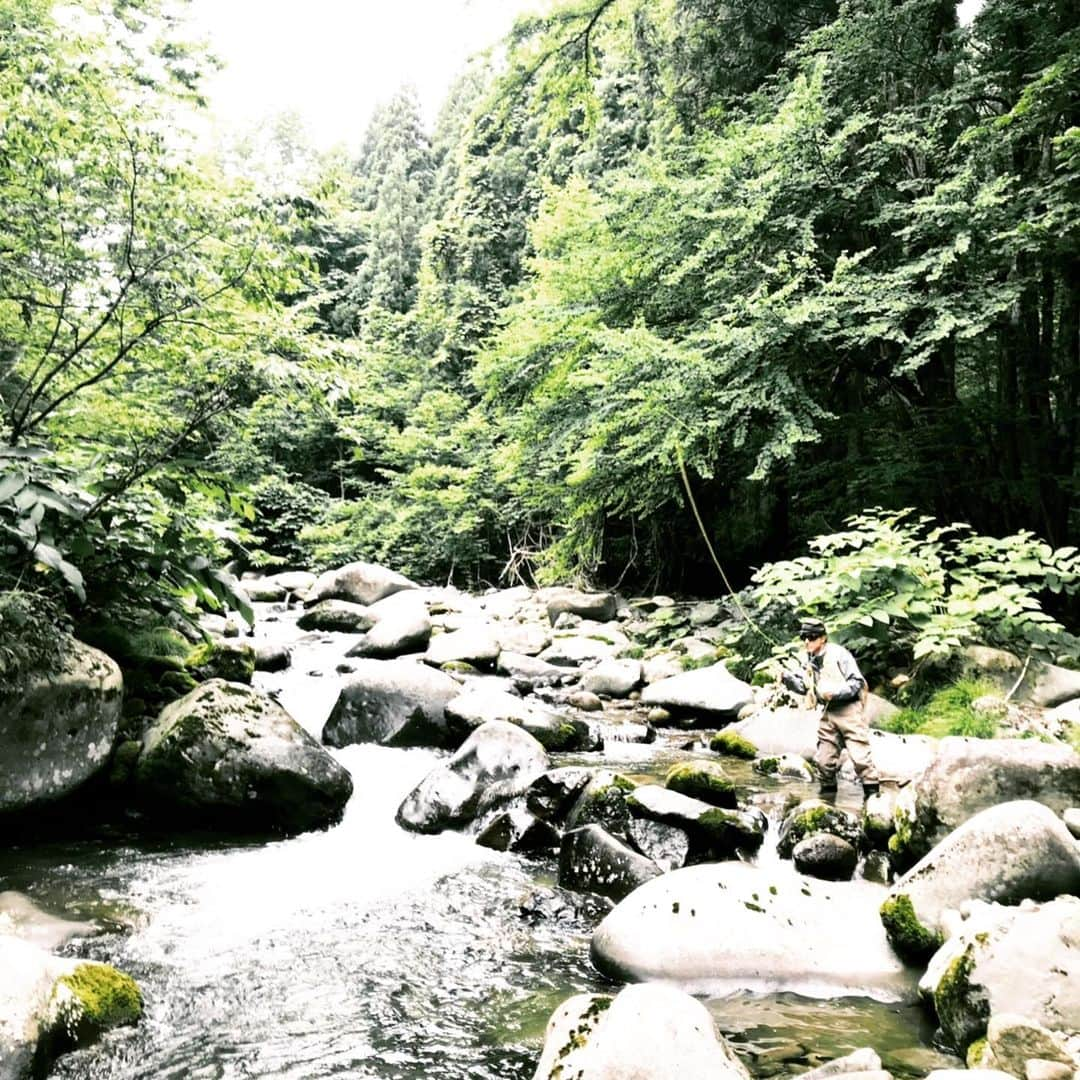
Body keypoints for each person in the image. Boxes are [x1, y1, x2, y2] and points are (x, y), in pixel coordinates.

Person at [781, 617, 879, 801]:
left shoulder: (840, 655)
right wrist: (787, 679)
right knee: (824, 763)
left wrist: (835, 693)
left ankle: (873, 801)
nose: (807, 642)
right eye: (804, 638)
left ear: (823, 638)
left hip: (849, 711)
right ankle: (827, 803)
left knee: (861, 760)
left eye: (811, 637)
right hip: (827, 714)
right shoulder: (808, 659)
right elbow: (805, 688)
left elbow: (856, 682)